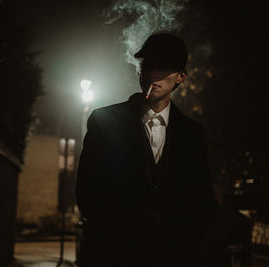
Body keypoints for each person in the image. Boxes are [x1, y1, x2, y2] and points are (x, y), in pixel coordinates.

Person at [75, 32, 217, 267]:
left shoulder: (192, 134)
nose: (153, 73)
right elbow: (87, 191)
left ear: (181, 76)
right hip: (114, 255)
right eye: (148, 64)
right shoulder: (105, 121)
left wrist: (185, 241)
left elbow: (202, 200)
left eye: (163, 67)